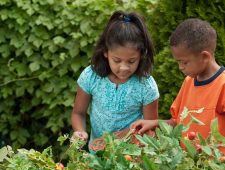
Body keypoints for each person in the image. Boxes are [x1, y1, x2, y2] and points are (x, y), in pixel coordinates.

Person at [131, 18, 225, 153]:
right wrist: (154, 123)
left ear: (205, 56)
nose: (180, 67)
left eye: (184, 62)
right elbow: (178, 122)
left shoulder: (222, 85)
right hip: (188, 168)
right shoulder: (188, 82)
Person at [71, 11, 159, 150]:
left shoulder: (146, 85)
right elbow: (78, 113)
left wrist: (114, 140)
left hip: (132, 158)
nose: (124, 68)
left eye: (131, 61)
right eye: (117, 60)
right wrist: (79, 131)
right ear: (105, 52)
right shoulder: (91, 76)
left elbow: (149, 129)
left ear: (141, 55)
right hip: (97, 156)